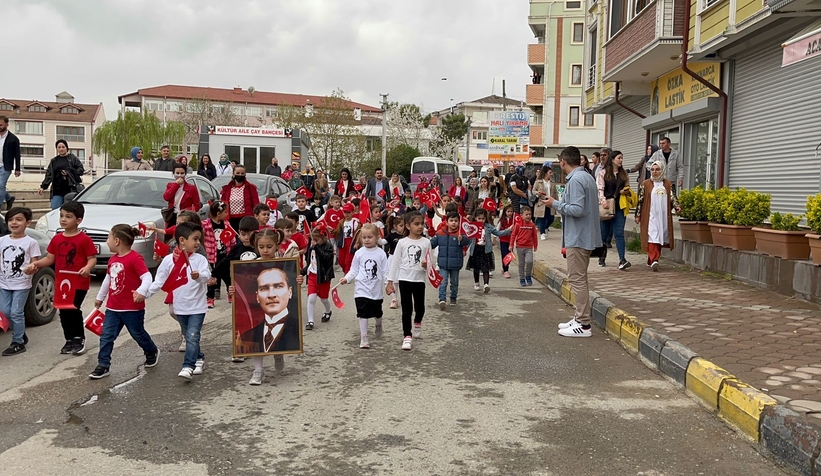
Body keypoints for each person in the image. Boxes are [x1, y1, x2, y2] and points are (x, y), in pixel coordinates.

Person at [137, 222, 210, 380]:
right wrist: (145, 294)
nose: (198, 243)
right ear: (182, 240)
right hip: (180, 307)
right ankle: (199, 358)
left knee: (192, 335)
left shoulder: (200, 259)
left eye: (199, 239)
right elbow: (159, 281)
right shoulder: (169, 260)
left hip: (198, 307)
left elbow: (207, 275)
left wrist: (199, 277)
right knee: (189, 335)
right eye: (195, 239)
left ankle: (188, 366)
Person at [543, 146, 601, 338]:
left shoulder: (576, 180)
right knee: (580, 278)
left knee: (576, 279)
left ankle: (583, 323)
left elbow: (577, 209)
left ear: (563, 162)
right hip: (584, 235)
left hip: (578, 236)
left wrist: (554, 204)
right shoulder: (586, 177)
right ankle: (579, 318)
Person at [26, 201, 97, 355]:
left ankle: (79, 338)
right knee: (63, 311)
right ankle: (69, 339)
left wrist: (87, 268)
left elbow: (92, 258)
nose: (63, 219)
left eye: (68, 217)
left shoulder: (84, 239)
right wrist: (37, 264)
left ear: (78, 220)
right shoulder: (57, 238)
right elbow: (50, 259)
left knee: (73, 308)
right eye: (62, 216)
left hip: (78, 282)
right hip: (62, 282)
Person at [89, 225, 159, 378]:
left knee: (137, 333)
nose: (107, 241)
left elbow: (147, 277)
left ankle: (151, 350)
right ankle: (103, 364)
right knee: (107, 336)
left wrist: (141, 292)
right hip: (113, 308)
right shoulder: (112, 259)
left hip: (132, 308)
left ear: (117, 240)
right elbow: (108, 279)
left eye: (108, 237)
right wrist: (100, 297)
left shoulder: (135, 258)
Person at [340, 223, 389, 349]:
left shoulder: (381, 254)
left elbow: (385, 271)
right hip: (361, 289)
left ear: (377, 237)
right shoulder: (359, 253)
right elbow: (354, 270)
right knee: (363, 313)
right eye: (364, 237)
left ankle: (379, 324)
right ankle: (364, 337)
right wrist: (346, 278)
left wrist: (388, 284)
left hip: (376, 290)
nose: (366, 240)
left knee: (377, 312)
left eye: (370, 237)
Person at [386, 211, 429, 351]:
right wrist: (390, 282)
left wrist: (426, 265)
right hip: (404, 279)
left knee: (420, 308)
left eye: (422, 224)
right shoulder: (402, 243)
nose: (420, 227)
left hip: (419, 280)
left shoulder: (426, 242)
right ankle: (407, 336)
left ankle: (417, 322)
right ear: (408, 226)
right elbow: (395, 262)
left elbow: (430, 263)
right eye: (416, 224)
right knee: (406, 309)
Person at [0, 207, 39, 356]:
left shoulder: (31, 242)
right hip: (4, 283)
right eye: (10, 220)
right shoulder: (2, 240)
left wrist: (32, 267)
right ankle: (20, 332)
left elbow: (35, 262)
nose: (14, 223)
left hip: (21, 284)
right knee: (5, 311)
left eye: (18, 219)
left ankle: (18, 342)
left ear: (28, 223)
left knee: (16, 312)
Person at [635, 160, 680, 272]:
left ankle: (652, 260)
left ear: (662, 170)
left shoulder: (668, 184)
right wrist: (638, 215)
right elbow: (640, 201)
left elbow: (672, 197)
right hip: (650, 215)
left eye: (657, 169)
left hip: (663, 216)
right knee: (652, 236)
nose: (655, 172)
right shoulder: (645, 184)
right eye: (653, 170)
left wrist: (677, 206)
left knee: (660, 237)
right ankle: (655, 259)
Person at [597, 151, 632, 270]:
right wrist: (603, 201)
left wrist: (626, 192)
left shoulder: (624, 174)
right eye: (619, 158)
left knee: (619, 233)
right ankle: (601, 257)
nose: (621, 160)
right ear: (612, 159)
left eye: (622, 158)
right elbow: (600, 189)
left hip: (620, 207)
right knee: (604, 235)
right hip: (607, 206)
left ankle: (622, 259)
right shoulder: (603, 173)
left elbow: (628, 187)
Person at [430, 212, 471, 309]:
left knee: (454, 282)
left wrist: (462, 240)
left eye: (456, 221)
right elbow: (431, 244)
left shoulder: (460, 234)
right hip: (443, 264)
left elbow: (467, 242)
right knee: (443, 282)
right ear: (447, 222)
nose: (454, 223)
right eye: (451, 221)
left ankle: (453, 297)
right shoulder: (440, 233)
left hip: (455, 263)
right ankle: (442, 299)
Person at [467, 208, 510, 293]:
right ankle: (476, 283)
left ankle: (486, 284)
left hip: (486, 250)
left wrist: (508, 230)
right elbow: (468, 238)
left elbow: (498, 233)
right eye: (479, 218)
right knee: (476, 268)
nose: (481, 220)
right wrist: (463, 247)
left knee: (486, 268)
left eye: (483, 218)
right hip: (475, 249)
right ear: (475, 218)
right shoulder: (472, 227)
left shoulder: (488, 227)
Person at [203, 200, 234, 309]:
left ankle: (230, 293)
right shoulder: (206, 225)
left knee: (228, 276)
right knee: (212, 277)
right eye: (225, 212)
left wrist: (233, 246)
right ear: (218, 214)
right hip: (212, 256)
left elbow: (231, 237)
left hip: (224, 255)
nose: (227, 214)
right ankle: (210, 297)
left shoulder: (226, 224)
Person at [302, 227, 334, 330]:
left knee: (324, 299)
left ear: (323, 238)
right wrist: (302, 272)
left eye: (317, 240)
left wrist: (316, 248)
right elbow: (310, 262)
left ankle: (328, 311)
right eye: (313, 240)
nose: (314, 242)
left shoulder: (328, 247)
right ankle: (310, 321)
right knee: (311, 298)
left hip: (323, 277)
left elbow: (326, 258)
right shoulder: (312, 247)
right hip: (312, 276)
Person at [39, 139, 84, 209]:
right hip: (57, 190)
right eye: (59, 147)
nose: (61, 149)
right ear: (57, 149)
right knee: (55, 209)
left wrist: (69, 172)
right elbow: (49, 174)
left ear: (67, 148)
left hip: (70, 189)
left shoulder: (72, 158)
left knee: (69, 210)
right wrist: (43, 186)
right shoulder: (54, 161)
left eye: (63, 147)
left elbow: (81, 170)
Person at [220, 165, 260, 230]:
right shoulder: (227, 189)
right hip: (230, 220)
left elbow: (256, 204)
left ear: (245, 174)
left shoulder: (250, 188)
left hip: (245, 219)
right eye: (238, 173)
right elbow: (223, 204)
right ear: (233, 174)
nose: (240, 175)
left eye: (242, 173)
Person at [511, 206, 539, 287]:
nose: (528, 216)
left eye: (530, 214)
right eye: (526, 214)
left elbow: (534, 236)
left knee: (530, 261)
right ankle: (522, 278)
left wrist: (535, 245)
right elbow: (513, 235)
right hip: (519, 247)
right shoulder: (518, 225)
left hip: (529, 247)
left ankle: (528, 276)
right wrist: (511, 245)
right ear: (521, 215)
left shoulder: (532, 225)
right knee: (521, 264)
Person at [0, 115, 21, 211]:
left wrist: (18, 168)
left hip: (6, 166)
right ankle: (8, 198)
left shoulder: (13, 139)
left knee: (0, 185)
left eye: (1, 124)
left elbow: (17, 155)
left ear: (7, 124)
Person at [384, 214, 405, 309]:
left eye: (404, 225)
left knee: (403, 279)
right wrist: (376, 235)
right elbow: (382, 242)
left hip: (404, 259)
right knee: (393, 279)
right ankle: (394, 299)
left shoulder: (407, 236)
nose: (403, 227)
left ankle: (404, 298)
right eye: (401, 226)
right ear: (395, 227)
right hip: (393, 259)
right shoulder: (391, 236)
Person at [533, 165, 558, 240]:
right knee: (542, 218)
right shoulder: (538, 182)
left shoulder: (552, 182)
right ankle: (542, 233)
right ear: (545, 173)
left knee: (551, 218)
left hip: (550, 201)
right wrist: (538, 192)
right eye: (550, 172)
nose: (551, 174)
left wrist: (556, 202)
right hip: (542, 202)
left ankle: (545, 228)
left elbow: (555, 193)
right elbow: (533, 191)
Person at [336, 203, 361, 274]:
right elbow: (337, 233)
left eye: (348, 212)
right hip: (343, 243)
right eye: (345, 212)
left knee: (348, 260)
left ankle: (347, 273)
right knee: (341, 261)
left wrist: (357, 242)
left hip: (351, 243)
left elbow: (358, 233)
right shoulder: (341, 222)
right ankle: (346, 271)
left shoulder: (355, 222)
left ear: (353, 212)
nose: (346, 214)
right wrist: (332, 231)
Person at [497, 205, 515, 279]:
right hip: (503, 240)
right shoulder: (502, 221)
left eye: (511, 211)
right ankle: (506, 270)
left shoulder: (514, 221)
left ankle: (505, 266)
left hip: (511, 241)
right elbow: (497, 230)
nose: (510, 213)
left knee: (510, 255)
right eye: (508, 211)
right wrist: (495, 237)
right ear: (505, 212)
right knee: (504, 255)